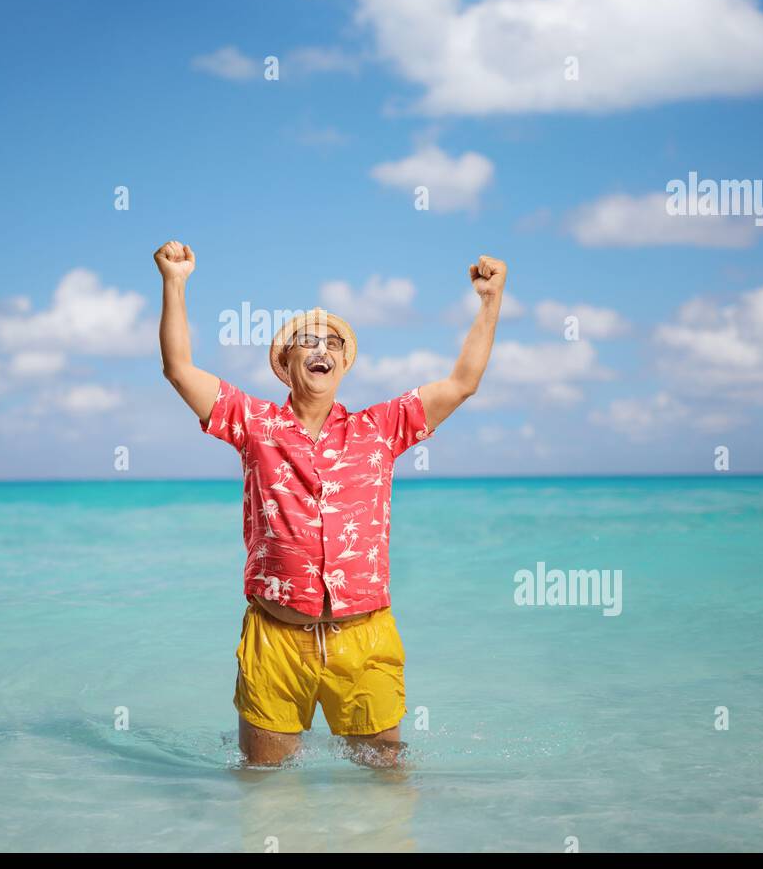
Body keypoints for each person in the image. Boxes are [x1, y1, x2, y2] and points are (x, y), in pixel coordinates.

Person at [155, 240, 507, 767]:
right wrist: (175, 283)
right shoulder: (254, 424)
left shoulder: (381, 428)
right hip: (276, 640)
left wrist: (489, 301)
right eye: (306, 342)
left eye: (333, 343)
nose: (322, 348)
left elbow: (463, 383)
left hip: (363, 639)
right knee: (264, 792)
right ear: (286, 364)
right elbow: (179, 369)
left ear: (342, 363)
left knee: (385, 790)